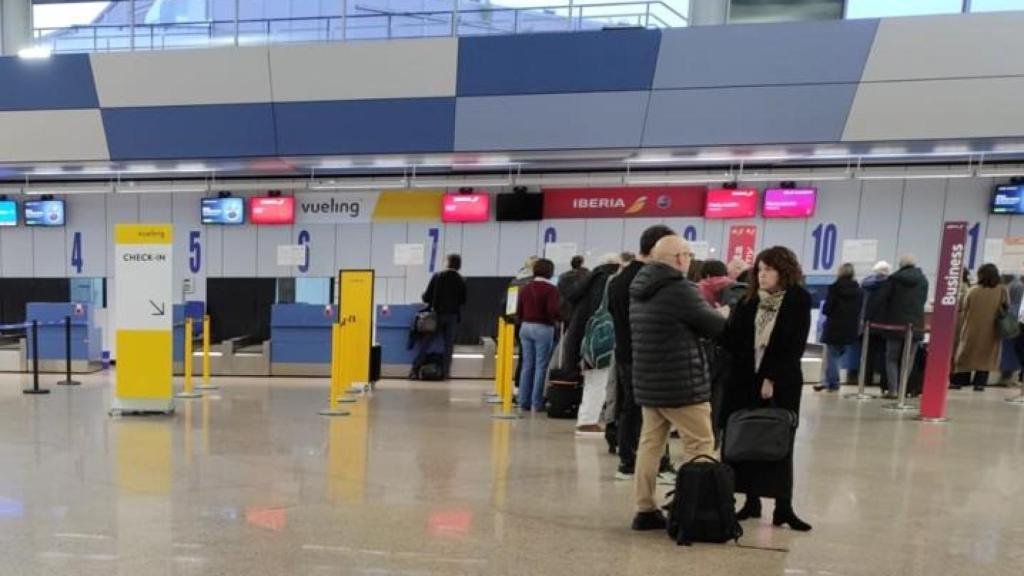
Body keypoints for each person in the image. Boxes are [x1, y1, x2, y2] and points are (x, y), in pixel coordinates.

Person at [628, 235, 726, 531]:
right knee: (701, 445)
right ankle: (696, 511)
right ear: (680, 258)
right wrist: (723, 314)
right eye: (688, 254)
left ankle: (644, 509)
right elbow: (713, 326)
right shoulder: (681, 289)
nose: (690, 260)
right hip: (682, 383)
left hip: (649, 382)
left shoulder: (639, 287)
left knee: (650, 445)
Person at [720, 246, 813, 532]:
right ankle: (751, 500)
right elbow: (735, 340)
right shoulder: (748, 301)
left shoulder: (797, 299)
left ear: (783, 271)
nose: (762, 276)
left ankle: (783, 507)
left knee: (778, 440)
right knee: (747, 440)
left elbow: (794, 345)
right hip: (745, 380)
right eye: (759, 270)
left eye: (769, 270)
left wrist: (771, 377)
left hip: (781, 381)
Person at [608, 225, 676, 482]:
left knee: (630, 407)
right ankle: (658, 464)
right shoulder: (650, 279)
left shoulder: (618, 280)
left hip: (624, 350)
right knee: (655, 412)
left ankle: (627, 461)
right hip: (648, 353)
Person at [564, 253, 623, 436]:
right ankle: (587, 422)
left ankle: (586, 419)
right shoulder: (608, 282)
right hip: (601, 338)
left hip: (585, 337)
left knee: (593, 379)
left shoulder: (588, 281)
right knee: (600, 380)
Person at [877, 255, 929, 400]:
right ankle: (902, 390)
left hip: (894, 324)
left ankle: (893, 390)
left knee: (891, 358)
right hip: (916, 326)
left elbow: (884, 299)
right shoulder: (923, 280)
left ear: (901, 266)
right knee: (909, 359)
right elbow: (922, 300)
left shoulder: (894, 279)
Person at [515, 258, 561, 412]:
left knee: (527, 365)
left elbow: (519, 310)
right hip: (543, 328)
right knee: (541, 366)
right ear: (550, 271)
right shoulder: (551, 289)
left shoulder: (526, 288)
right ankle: (536, 402)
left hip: (525, 327)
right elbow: (553, 311)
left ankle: (523, 401)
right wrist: (559, 318)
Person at [412, 254, 467, 380]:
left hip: (437, 315)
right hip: (452, 316)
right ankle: (446, 373)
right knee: (448, 346)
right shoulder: (461, 280)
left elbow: (426, 297)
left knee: (426, 343)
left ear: (447, 263)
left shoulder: (438, 276)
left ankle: (415, 369)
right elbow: (463, 300)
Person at [952, 263, 1006, 391]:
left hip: (972, 328)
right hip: (992, 330)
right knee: (986, 357)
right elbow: (1006, 306)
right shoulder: (1001, 290)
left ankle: (960, 380)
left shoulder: (973, 290)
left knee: (966, 354)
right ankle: (980, 383)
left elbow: (964, 306)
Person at [817, 263, 864, 392]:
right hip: (849, 328)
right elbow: (859, 309)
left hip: (834, 326)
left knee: (832, 356)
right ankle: (829, 381)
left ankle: (833, 383)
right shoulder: (859, 291)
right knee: (837, 355)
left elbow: (827, 309)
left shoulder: (835, 288)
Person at [861, 261, 891, 392]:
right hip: (885, 323)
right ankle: (883, 381)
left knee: (867, 353)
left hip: (868, 322)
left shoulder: (866, 284)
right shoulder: (890, 285)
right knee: (885, 354)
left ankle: (865, 379)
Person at [998, 273, 1024, 384]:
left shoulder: (1012, 286)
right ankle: (1009, 376)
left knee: (1009, 350)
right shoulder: (1018, 285)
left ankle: (1006, 376)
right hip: (1016, 323)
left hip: (1010, 322)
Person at [557, 255, 589, 320]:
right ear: (582, 264)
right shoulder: (588, 276)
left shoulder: (563, 276)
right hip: (582, 310)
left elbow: (559, 293)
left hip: (566, 310)